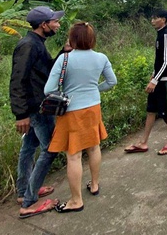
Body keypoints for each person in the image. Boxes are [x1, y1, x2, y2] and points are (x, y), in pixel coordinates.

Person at [44, 22, 117, 213]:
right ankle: (94, 185)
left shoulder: (64, 60)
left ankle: (76, 200)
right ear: (92, 39)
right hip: (93, 107)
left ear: (72, 39)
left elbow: (48, 89)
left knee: (74, 155)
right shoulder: (101, 58)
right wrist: (95, 89)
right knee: (94, 147)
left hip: (72, 111)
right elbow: (112, 81)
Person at [10, 6, 65, 219]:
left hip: (37, 104)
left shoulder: (37, 43)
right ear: (44, 25)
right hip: (36, 107)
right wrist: (21, 114)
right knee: (51, 149)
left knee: (29, 147)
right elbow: (18, 80)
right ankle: (29, 203)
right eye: (55, 21)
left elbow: (46, 70)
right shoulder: (28, 46)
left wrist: (63, 52)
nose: (57, 25)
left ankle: (24, 191)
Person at [125, 9, 167, 156]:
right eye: (152, 18)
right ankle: (143, 143)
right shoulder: (159, 34)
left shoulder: (166, 35)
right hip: (158, 79)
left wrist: (155, 80)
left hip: (166, 81)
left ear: (164, 20)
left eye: (156, 18)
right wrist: (153, 75)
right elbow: (159, 60)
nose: (153, 20)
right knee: (151, 110)